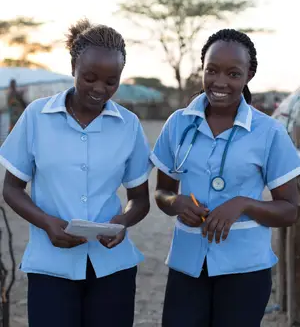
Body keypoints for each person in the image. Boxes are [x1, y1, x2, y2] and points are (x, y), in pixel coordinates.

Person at [0, 19, 151, 327]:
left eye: (111, 81)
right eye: (90, 78)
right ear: (73, 67)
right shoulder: (36, 117)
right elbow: (12, 189)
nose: (100, 89)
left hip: (112, 267)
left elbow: (139, 199)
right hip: (50, 266)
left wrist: (122, 221)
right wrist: (46, 223)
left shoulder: (129, 124)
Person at [150, 29, 300, 327]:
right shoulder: (178, 124)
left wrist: (243, 204)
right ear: (202, 69)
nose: (220, 82)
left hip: (245, 271)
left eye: (233, 73)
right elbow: (161, 193)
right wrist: (176, 202)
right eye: (212, 70)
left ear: (249, 74)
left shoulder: (268, 132)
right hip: (187, 267)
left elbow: (290, 210)